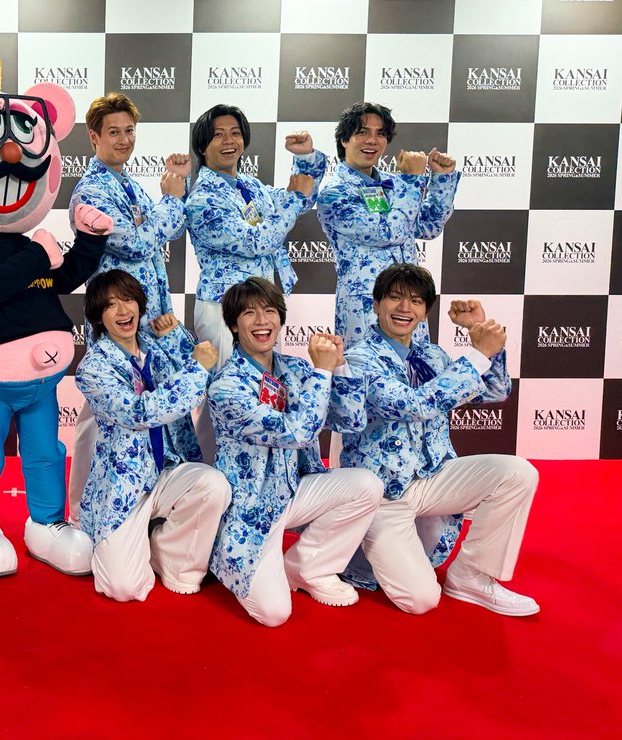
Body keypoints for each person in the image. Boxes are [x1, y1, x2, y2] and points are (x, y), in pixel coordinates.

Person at [342, 264, 539, 616]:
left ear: (425, 312)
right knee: (421, 600)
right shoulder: (359, 359)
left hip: (432, 479)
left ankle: (470, 576)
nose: (405, 308)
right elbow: (414, 405)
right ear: (375, 304)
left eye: (416, 301)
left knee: (518, 472)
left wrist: (480, 335)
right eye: (395, 298)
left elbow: (495, 391)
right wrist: (476, 355)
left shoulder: (432, 355)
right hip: (384, 495)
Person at [208, 277, 382, 627]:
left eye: (269, 311)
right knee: (274, 614)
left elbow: (350, 420)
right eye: (249, 313)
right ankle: (223, 557)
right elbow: (297, 432)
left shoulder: (297, 369)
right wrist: (322, 371)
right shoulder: (226, 386)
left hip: (295, 489)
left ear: (280, 317)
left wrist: (338, 365)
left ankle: (307, 567)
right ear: (233, 325)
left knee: (366, 485)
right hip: (251, 509)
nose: (262, 321)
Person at [67, 92, 190, 514]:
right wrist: (170, 199)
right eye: (114, 132)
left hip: (148, 316)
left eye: (129, 131)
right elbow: (136, 243)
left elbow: (165, 232)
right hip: (115, 316)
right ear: (94, 137)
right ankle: (83, 510)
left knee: (145, 407)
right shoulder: (91, 190)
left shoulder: (129, 184)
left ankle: (151, 505)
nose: (124, 140)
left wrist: (173, 193)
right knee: (103, 417)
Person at [75, 270, 231, 602]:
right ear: (98, 317)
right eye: (111, 305)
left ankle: (167, 552)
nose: (123, 311)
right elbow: (140, 412)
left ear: (140, 304)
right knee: (123, 588)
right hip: (126, 485)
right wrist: (196, 368)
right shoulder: (93, 368)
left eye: (128, 300)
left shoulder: (157, 348)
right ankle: (123, 538)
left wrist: (175, 338)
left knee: (213, 484)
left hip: (169, 471)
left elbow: (202, 374)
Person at [185, 104, 326, 364]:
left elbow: (301, 201)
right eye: (218, 135)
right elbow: (256, 241)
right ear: (202, 146)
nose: (229, 141)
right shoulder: (202, 199)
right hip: (223, 308)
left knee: (262, 382)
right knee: (227, 383)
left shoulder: (250, 185)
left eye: (235, 133)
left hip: (262, 305)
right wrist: (295, 197)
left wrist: (306, 159)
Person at [316, 101, 458, 346]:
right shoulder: (334, 194)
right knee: (368, 371)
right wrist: (411, 180)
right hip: (366, 307)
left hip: (409, 304)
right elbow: (390, 232)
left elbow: (428, 226)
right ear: (344, 140)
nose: (372, 140)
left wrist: (442, 179)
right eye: (363, 132)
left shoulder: (393, 184)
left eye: (380, 134)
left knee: (413, 368)